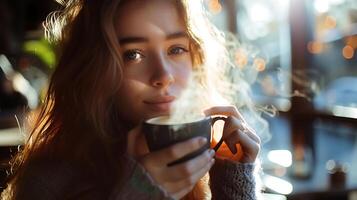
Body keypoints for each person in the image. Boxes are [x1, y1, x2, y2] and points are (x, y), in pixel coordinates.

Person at [1, 0, 262, 199]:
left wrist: (233, 183)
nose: (163, 76)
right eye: (133, 54)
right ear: (95, 69)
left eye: (176, 49)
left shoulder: (209, 157)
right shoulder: (48, 182)